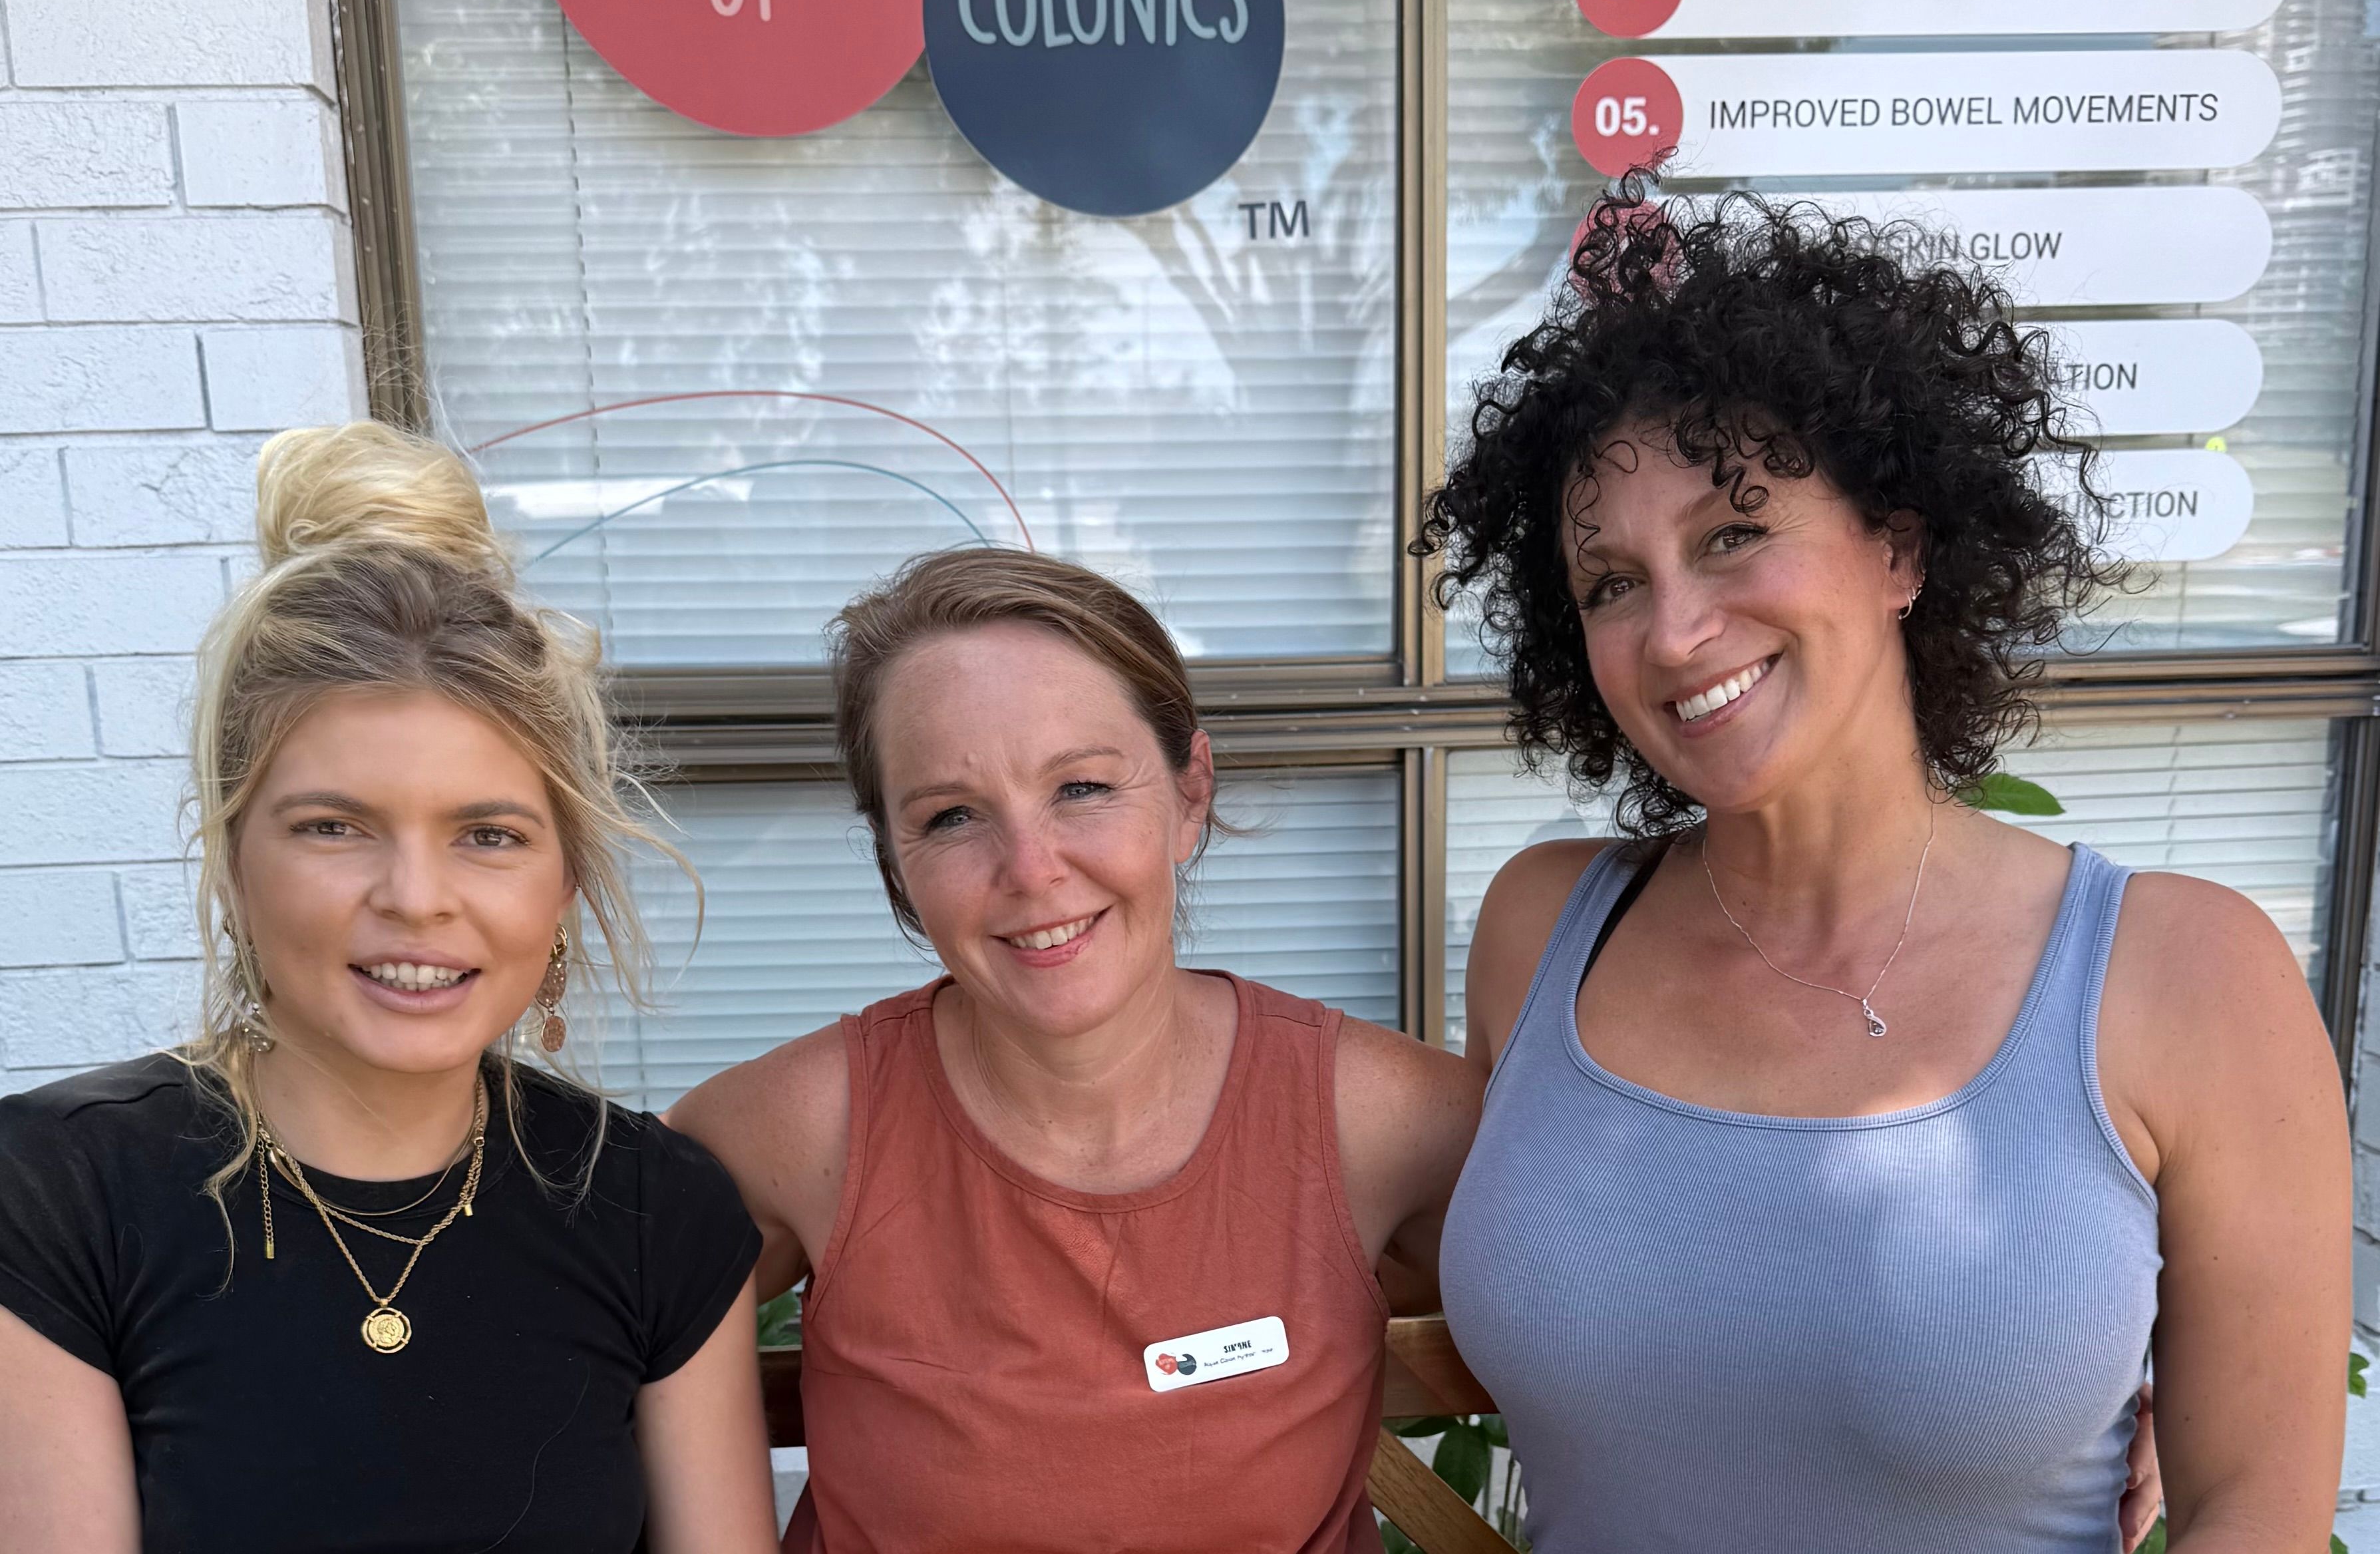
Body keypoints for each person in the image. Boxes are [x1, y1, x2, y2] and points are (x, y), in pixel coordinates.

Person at [1420, 188, 2348, 1553]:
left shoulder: (2186, 977)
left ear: (1897, 550)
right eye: (1609, 581)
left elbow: (2254, 1514)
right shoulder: (1543, 926)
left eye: (1733, 534)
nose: (1672, 632)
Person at [0, 423, 778, 1554]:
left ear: (563, 880)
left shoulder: (654, 1212)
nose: (417, 898)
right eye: (335, 826)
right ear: (233, 858)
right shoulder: (58, 1195)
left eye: (488, 834)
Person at [670, 548, 1481, 1553]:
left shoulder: (1385, 1118)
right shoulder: (800, 1130)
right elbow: (557, 1322)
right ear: (893, 856)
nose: (1031, 868)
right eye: (951, 816)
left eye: (1082, 787)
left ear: (1190, 792)